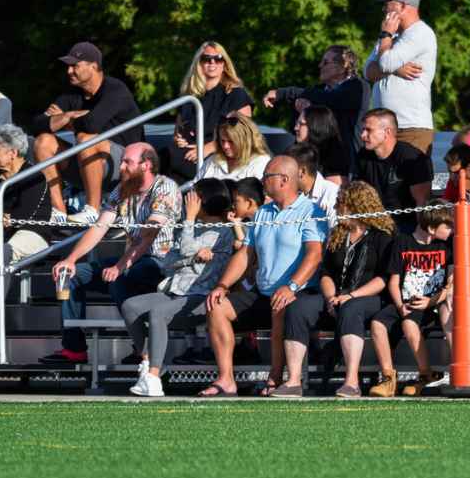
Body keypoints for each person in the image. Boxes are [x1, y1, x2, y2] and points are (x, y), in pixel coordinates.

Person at [40, 143, 181, 364]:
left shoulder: (165, 187)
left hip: (161, 262)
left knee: (120, 279)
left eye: (127, 162)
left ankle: (143, 349)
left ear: (146, 165)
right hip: (131, 261)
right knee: (72, 275)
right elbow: (99, 228)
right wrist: (70, 260)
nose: (121, 166)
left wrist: (119, 266)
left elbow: (149, 235)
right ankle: (74, 349)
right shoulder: (122, 189)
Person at [200, 156, 328, 397]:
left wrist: (291, 286)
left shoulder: (311, 211)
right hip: (262, 293)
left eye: (267, 176)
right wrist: (222, 285)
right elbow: (245, 255)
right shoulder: (262, 214)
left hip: (296, 293)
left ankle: (275, 377)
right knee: (216, 306)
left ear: (284, 180)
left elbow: (314, 255)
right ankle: (226, 379)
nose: (262, 180)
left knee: (281, 302)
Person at [120, 180, 235, 396]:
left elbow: (186, 248)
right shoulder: (189, 227)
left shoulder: (222, 231)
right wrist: (192, 258)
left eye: (193, 197)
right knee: (130, 306)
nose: (187, 201)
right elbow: (169, 261)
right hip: (176, 291)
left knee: (157, 313)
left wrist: (189, 222)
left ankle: (153, 378)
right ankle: (149, 362)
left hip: (200, 296)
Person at [284, 181, 394, 398]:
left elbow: (384, 279)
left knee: (351, 308)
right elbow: (326, 273)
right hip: (336, 296)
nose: (335, 207)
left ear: (356, 205)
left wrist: (351, 295)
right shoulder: (338, 233)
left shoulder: (382, 235)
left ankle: (351, 382)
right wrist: (330, 297)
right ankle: (293, 380)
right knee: (298, 307)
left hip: (369, 297)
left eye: (340, 203)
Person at [33, 41, 143, 223]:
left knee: (86, 139)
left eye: (74, 66)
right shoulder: (72, 94)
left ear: (93, 66)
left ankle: (92, 209)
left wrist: (65, 121)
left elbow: (92, 124)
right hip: (86, 164)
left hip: (126, 165)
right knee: (43, 142)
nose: (69, 71)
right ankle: (58, 212)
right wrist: (68, 116)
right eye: (68, 66)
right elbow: (37, 125)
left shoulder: (115, 89)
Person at [370, 205, 456, 397]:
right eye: (448, 226)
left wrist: (431, 301)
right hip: (406, 302)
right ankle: (388, 378)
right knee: (377, 324)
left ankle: (426, 375)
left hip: (434, 303)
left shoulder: (448, 245)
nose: (452, 230)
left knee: (409, 324)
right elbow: (393, 282)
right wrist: (400, 306)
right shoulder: (403, 241)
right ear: (432, 228)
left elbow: (450, 283)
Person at [364, 0, 437, 154]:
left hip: (411, 128)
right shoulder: (391, 36)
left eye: (387, 3)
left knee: (411, 172)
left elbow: (385, 64)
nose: (384, 9)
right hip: (383, 128)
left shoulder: (420, 33)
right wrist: (396, 69)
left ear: (403, 6)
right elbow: (368, 72)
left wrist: (386, 36)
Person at [265, 45, 370, 160]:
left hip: (347, 161)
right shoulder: (316, 91)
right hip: (317, 159)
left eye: (325, 62)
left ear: (342, 66)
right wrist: (300, 110)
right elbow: (295, 128)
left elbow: (332, 100)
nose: (320, 66)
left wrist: (284, 93)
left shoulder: (358, 87)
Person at [171, 41, 254, 179]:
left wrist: (207, 149)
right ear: (199, 63)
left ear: (224, 63)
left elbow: (244, 135)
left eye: (218, 58)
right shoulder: (189, 97)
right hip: (186, 155)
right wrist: (179, 139)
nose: (212, 62)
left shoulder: (236, 95)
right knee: (160, 158)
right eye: (206, 58)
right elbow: (178, 130)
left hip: (217, 157)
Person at [355, 108, 433, 232]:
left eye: (368, 130)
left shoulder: (412, 158)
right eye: (363, 130)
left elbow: (422, 203)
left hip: (406, 226)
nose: (362, 135)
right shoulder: (363, 156)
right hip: (373, 224)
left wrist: (417, 239)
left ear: (387, 132)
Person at [0, 124, 51, 267]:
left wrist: (6, 217)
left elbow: (21, 215)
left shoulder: (33, 176)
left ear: (12, 153)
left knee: (2, 253)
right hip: (3, 231)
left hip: (32, 233)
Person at [197, 115, 272, 181]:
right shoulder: (213, 160)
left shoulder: (260, 162)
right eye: (222, 141)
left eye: (231, 141)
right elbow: (193, 186)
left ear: (246, 141)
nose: (225, 146)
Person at [292, 105, 350, 185]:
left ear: (315, 126)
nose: (295, 128)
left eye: (301, 124)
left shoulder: (333, 159)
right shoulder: (296, 151)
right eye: (296, 123)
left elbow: (336, 191)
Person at [284, 142, 340, 218]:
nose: (283, 174)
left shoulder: (332, 195)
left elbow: (336, 225)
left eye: (287, 169)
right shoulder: (288, 194)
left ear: (302, 172)